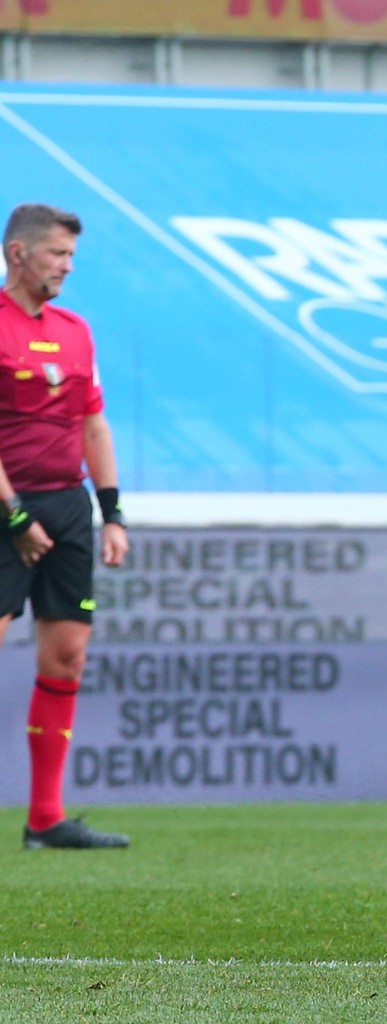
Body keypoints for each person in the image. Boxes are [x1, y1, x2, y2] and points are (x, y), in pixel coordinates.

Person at [0, 203, 129, 850]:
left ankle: (45, 819)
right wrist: (16, 517)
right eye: (57, 255)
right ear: (18, 254)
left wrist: (111, 513)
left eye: (72, 257)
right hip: (4, 508)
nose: (67, 267)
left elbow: (92, 424)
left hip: (68, 507)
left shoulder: (75, 330)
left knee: (67, 656)